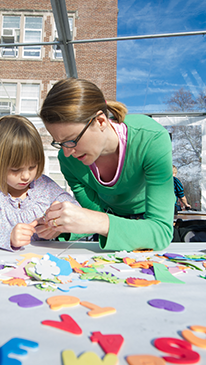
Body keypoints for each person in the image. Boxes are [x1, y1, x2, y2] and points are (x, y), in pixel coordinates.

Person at [38, 78, 175, 251]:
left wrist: (97, 221)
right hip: (111, 221)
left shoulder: (151, 138)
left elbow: (160, 232)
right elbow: (92, 217)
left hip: (147, 217)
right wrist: (59, 227)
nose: (66, 152)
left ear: (101, 121)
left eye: (71, 140)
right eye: (59, 142)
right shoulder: (68, 160)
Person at [0, 115, 80, 251]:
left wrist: (58, 224)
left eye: (32, 167)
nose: (26, 176)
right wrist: (8, 237)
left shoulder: (45, 186)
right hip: (3, 261)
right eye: (15, 169)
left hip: (43, 260)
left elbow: (76, 211)